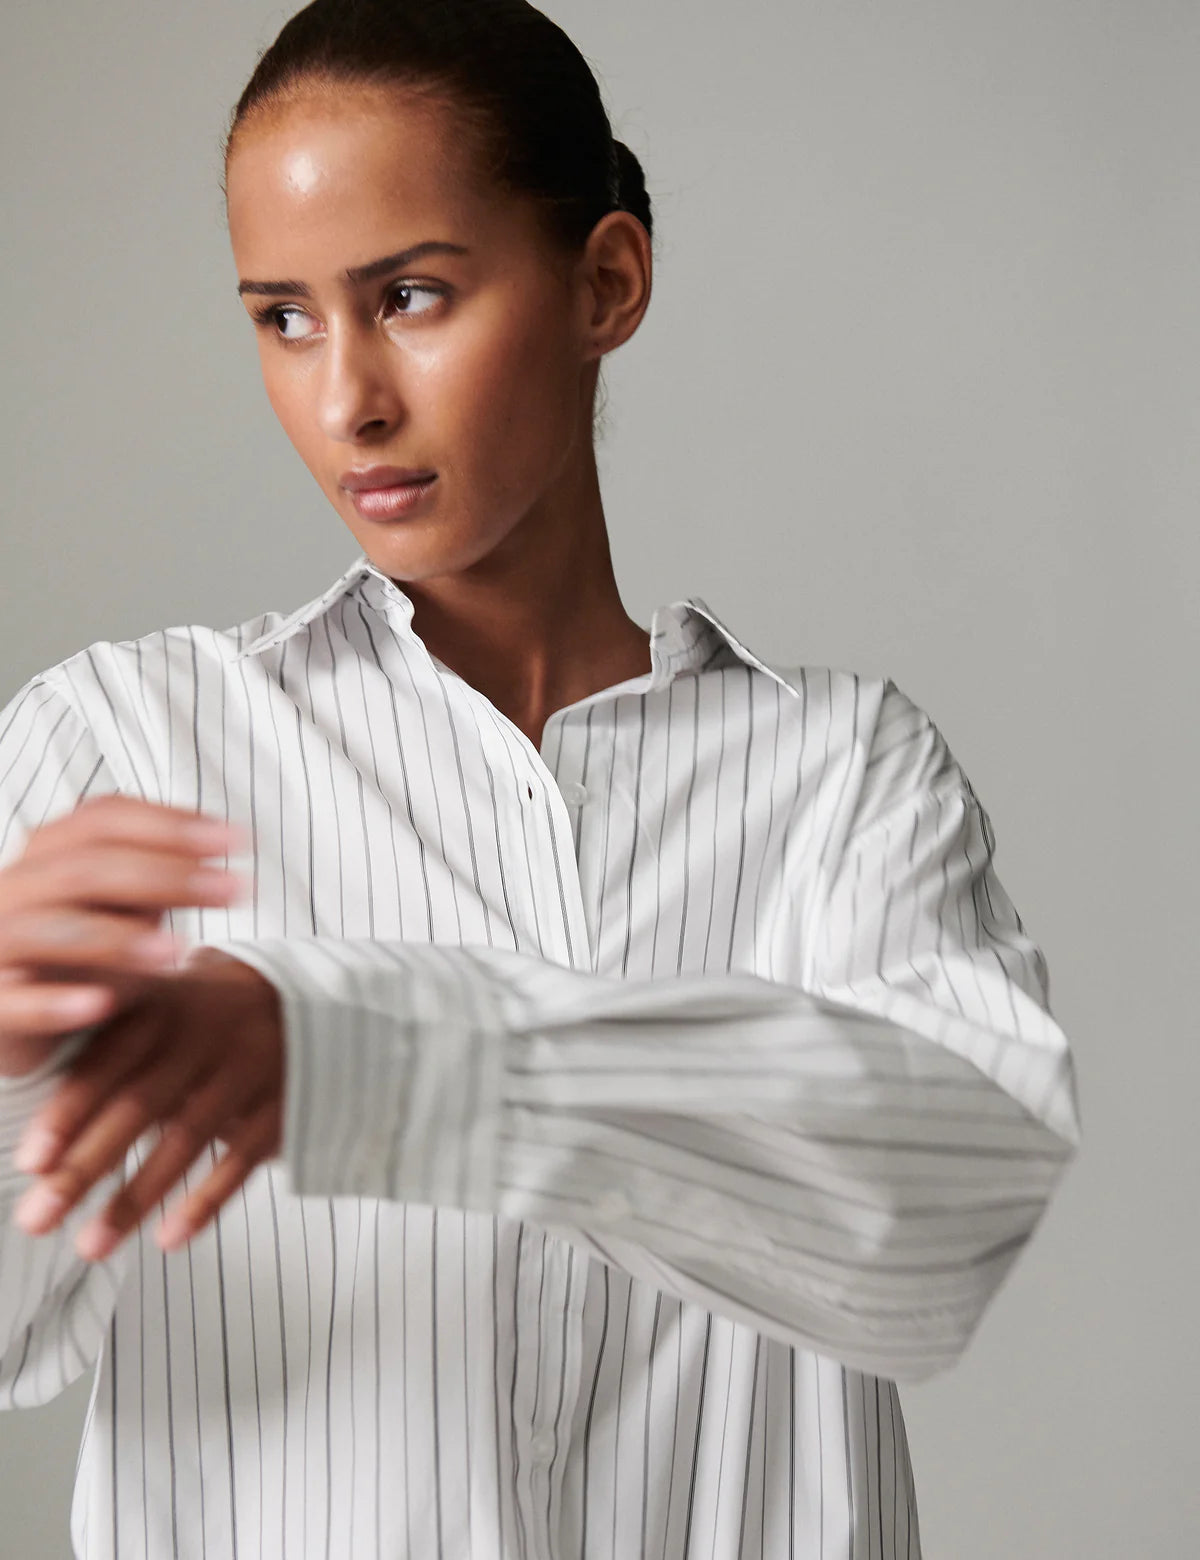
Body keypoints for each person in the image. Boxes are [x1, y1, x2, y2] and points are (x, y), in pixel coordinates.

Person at [0, 1, 1080, 1555]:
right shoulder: (123, 744)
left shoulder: (841, 776)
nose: (346, 399)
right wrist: (18, 1071)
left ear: (606, 283)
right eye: (283, 318)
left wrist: (374, 1064)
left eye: (411, 296)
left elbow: (948, 1219)